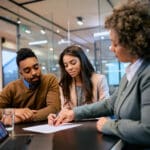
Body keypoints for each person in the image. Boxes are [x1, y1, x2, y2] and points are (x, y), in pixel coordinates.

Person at [48, 1, 150, 147]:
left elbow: (147, 131)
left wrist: (109, 125)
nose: (111, 48)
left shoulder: (147, 74)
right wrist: (73, 113)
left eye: (115, 44)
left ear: (133, 42)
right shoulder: (129, 74)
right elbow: (110, 104)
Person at [48, 45, 109, 123]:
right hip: (74, 126)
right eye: (66, 65)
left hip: (94, 125)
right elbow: (65, 109)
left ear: (82, 61)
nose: (69, 68)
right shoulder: (64, 84)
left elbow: (105, 108)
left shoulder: (100, 79)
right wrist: (57, 116)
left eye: (73, 63)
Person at [0, 48, 61, 124]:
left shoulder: (50, 80)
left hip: (47, 130)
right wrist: (14, 111)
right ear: (21, 73)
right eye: (27, 71)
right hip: (19, 133)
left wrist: (21, 118)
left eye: (36, 67)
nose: (34, 73)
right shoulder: (12, 88)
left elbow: (53, 109)